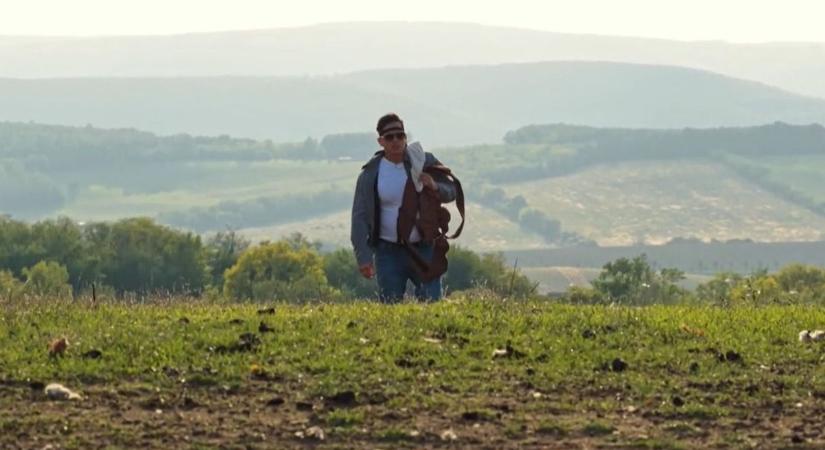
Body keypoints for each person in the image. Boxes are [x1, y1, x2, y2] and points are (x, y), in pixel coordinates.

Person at [351, 113, 457, 303]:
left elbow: (452, 191)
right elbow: (359, 217)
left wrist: (434, 185)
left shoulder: (424, 161)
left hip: (423, 248)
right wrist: (364, 257)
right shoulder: (370, 174)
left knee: (432, 304)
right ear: (380, 141)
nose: (396, 141)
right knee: (391, 309)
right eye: (390, 137)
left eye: (400, 135)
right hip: (387, 252)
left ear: (406, 138)